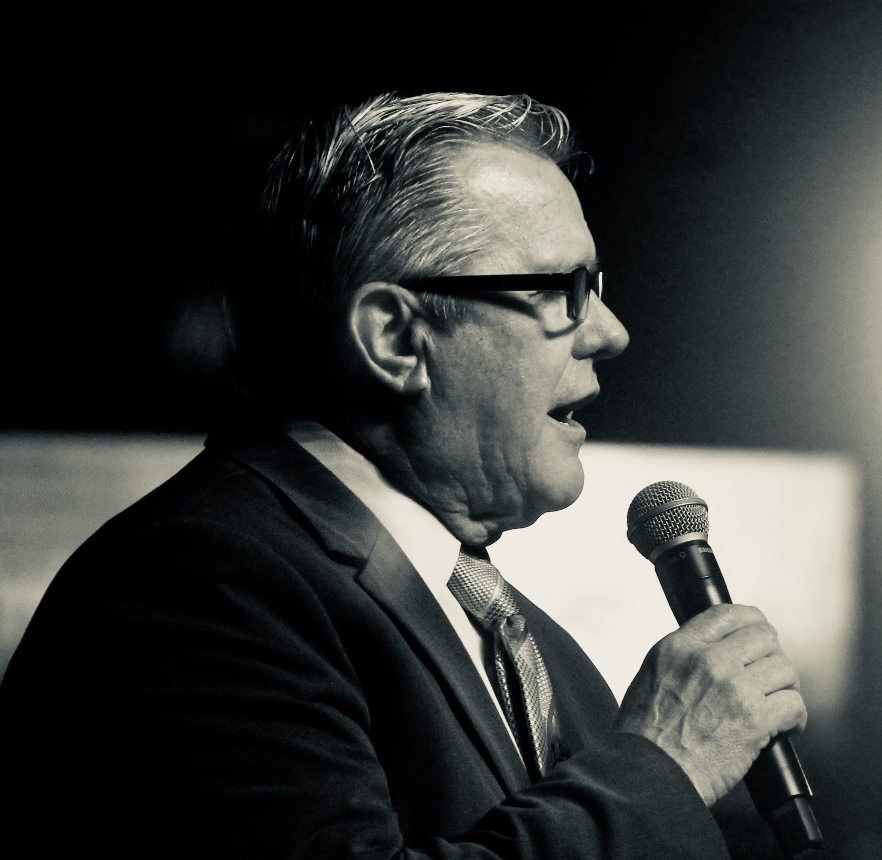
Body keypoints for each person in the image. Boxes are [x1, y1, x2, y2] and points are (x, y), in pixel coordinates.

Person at [0, 93, 807, 859]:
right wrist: (665, 765)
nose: (610, 332)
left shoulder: (537, 644)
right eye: (562, 289)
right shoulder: (194, 583)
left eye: (596, 288)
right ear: (395, 337)